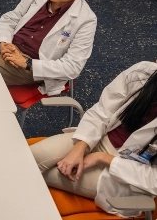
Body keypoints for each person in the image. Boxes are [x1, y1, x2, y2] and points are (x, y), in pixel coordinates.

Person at [31, 61, 157, 217]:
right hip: (98, 137)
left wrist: (102, 158)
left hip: (126, 175)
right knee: (29, 158)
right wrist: (80, 148)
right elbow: (101, 111)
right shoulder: (144, 72)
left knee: (35, 173)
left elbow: (154, 180)